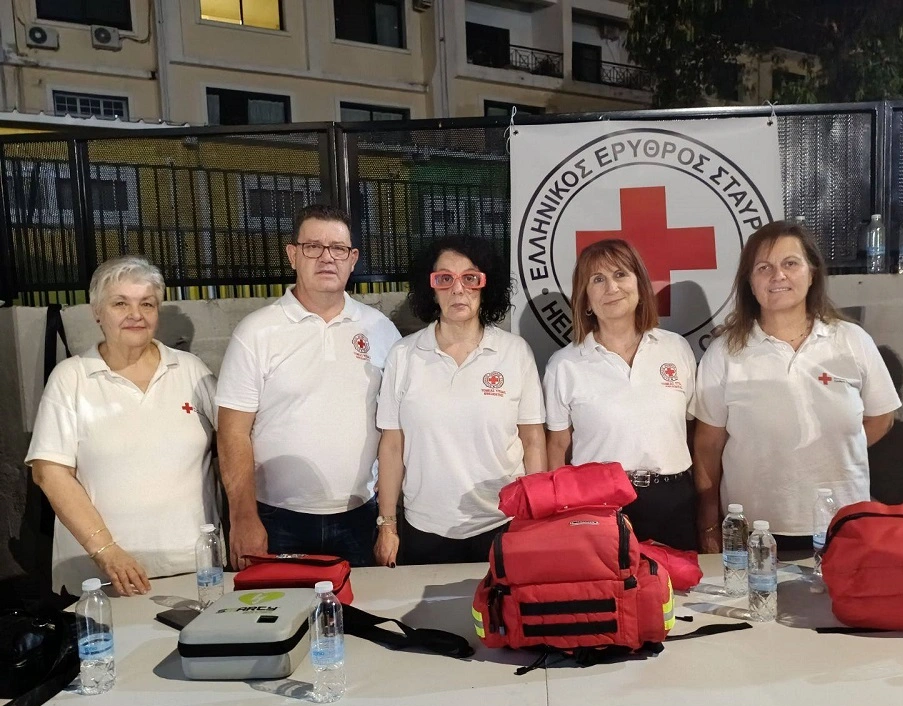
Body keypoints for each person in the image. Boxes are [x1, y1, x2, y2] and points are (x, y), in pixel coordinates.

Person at [693, 220, 901, 552]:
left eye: (790, 263)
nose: (778, 276)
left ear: (812, 271)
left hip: (843, 527)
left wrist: (819, 456)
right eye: (764, 267)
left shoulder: (851, 340)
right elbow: (707, 447)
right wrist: (708, 525)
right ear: (750, 281)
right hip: (755, 533)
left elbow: (881, 419)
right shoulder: (725, 352)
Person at [216, 204, 400, 569]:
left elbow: (397, 425)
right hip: (277, 520)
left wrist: (388, 515)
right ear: (293, 255)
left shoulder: (380, 330)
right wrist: (243, 517)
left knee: (360, 622)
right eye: (313, 246)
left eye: (338, 249)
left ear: (353, 259)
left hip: (360, 517)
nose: (327, 258)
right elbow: (232, 432)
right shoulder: (257, 332)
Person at [25, 256, 218, 596]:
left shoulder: (191, 370)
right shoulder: (71, 378)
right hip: (99, 576)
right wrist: (106, 552)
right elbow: (49, 472)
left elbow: (236, 441)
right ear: (97, 312)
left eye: (147, 303)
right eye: (120, 303)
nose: (136, 315)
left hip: (192, 567)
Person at [374, 235, 546, 566]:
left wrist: (535, 517)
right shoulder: (404, 355)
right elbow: (392, 445)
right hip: (424, 527)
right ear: (431, 289)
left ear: (486, 286)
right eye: (444, 279)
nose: (458, 290)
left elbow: (533, 439)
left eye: (470, 278)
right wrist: (387, 525)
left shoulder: (514, 353)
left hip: (502, 524)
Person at [544, 239, 699, 550]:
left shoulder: (676, 348)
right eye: (597, 280)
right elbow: (558, 446)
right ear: (585, 300)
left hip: (673, 502)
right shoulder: (565, 364)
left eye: (620, 274)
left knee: (678, 594)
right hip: (598, 505)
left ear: (639, 286)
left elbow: (691, 427)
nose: (611, 287)